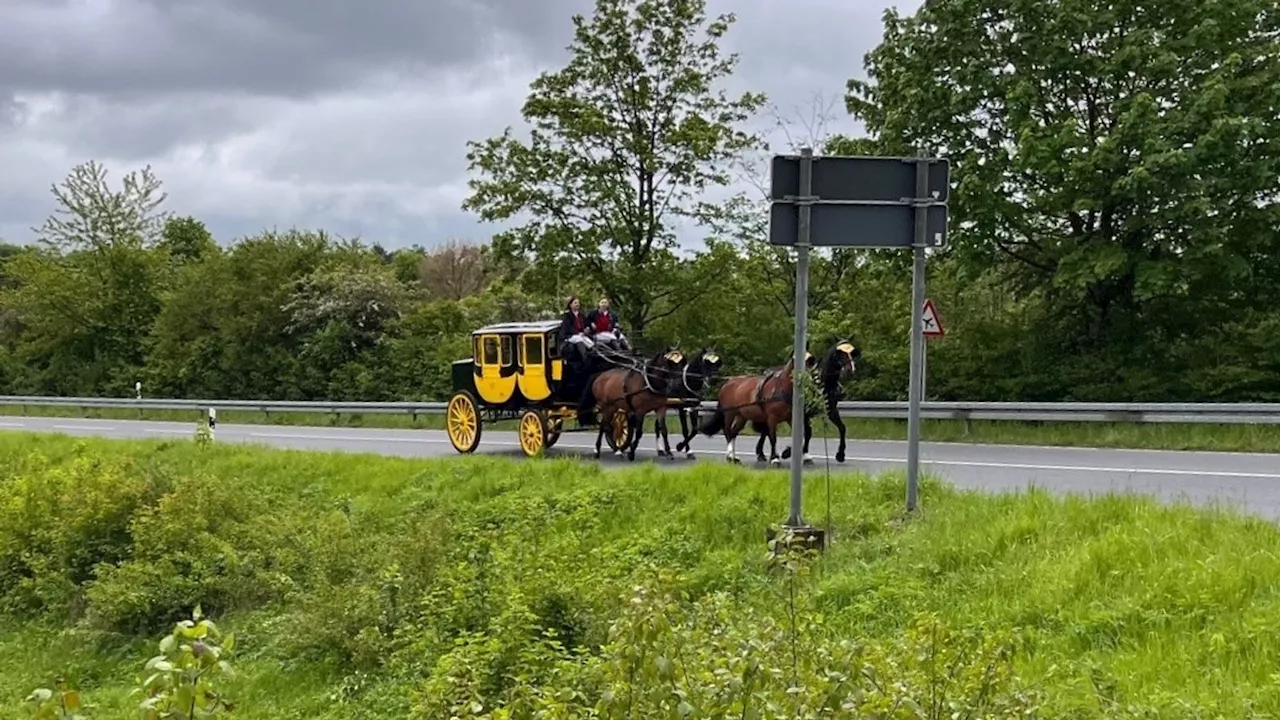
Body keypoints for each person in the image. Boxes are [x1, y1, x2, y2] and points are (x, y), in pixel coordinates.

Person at [558, 296, 592, 370]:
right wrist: (578, 333)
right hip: (569, 336)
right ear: (570, 305)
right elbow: (568, 328)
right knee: (580, 339)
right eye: (575, 303)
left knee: (588, 340)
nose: (577, 304)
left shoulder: (581, 315)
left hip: (581, 335)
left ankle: (593, 351)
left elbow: (587, 324)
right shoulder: (567, 315)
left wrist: (587, 329)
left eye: (578, 303)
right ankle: (585, 358)